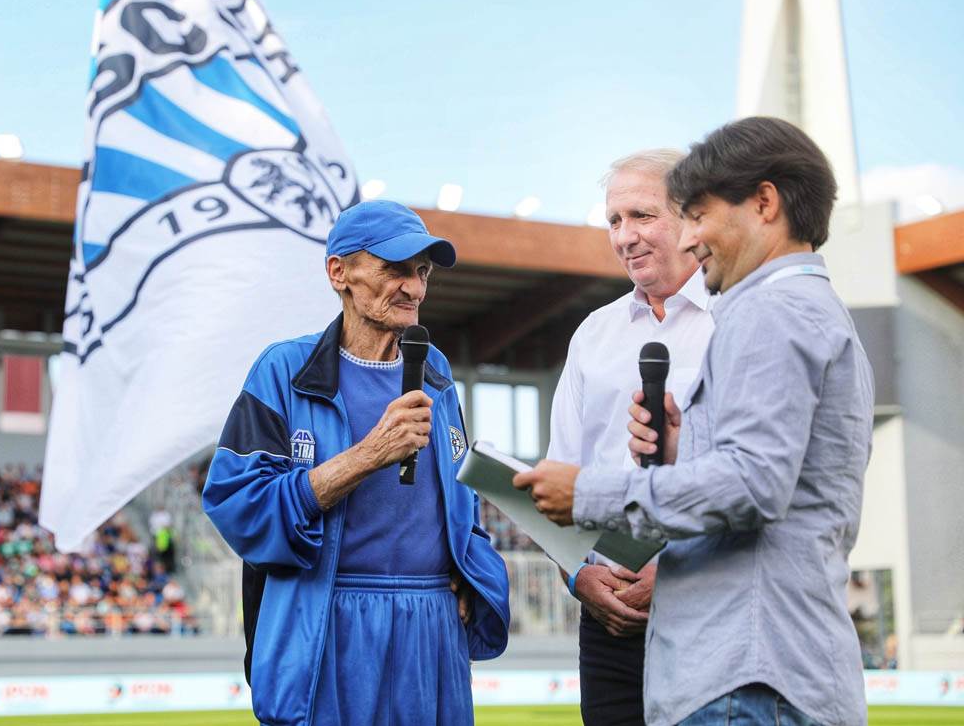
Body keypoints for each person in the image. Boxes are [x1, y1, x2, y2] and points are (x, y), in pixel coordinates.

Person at [517, 117, 874, 726]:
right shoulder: (808, 307)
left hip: (745, 656)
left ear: (764, 203)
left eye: (702, 213)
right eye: (614, 220)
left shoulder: (763, 311)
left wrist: (589, 495)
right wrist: (686, 448)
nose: (698, 234)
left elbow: (753, 484)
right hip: (742, 651)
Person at [203, 199, 509, 726]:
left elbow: (462, 503)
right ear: (338, 272)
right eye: (394, 269)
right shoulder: (284, 369)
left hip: (430, 625)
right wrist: (368, 456)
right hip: (328, 619)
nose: (414, 288)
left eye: (422, 272)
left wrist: (466, 572)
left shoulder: (435, 371)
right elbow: (237, 505)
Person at [545, 149, 714, 725]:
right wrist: (577, 576)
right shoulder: (594, 334)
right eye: (614, 221)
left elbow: (761, 479)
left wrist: (680, 569)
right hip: (607, 616)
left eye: (642, 216)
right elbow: (559, 474)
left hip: (709, 612)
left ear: (691, 216)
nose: (624, 237)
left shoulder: (740, 321)